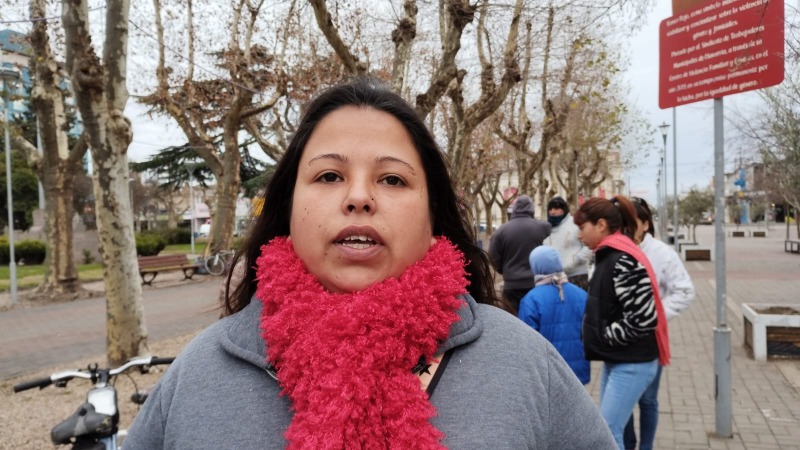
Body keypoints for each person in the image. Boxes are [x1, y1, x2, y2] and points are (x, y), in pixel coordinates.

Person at [124, 78, 615, 449]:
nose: (358, 197)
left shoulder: (523, 362)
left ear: (433, 215)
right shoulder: (200, 372)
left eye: (393, 180)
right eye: (330, 175)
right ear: (288, 208)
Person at [573, 195, 670, 450]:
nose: (579, 236)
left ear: (601, 225)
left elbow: (643, 319)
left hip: (633, 362)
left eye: (582, 228)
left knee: (607, 431)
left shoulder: (622, 259)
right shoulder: (610, 256)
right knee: (606, 429)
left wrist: (604, 336)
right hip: (620, 359)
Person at [623, 197, 695, 450]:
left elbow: (685, 291)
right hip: (622, 339)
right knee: (623, 401)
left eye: (631, 222)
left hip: (651, 339)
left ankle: (647, 446)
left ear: (645, 224)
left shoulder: (662, 254)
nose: (626, 227)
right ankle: (627, 444)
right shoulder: (615, 250)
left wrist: (653, 315)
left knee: (648, 399)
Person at [518, 245, 590, 385]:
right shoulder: (581, 295)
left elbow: (526, 343)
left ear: (535, 266)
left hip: (548, 373)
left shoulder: (531, 300)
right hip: (578, 369)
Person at [488, 195, 551, 312]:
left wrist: (504, 269)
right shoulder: (542, 227)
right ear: (532, 209)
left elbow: (492, 255)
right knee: (535, 320)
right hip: (537, 282)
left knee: (514, 322)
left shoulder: (501, 230)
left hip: (512, 284)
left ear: (515, 209)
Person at [545, 196, 592, 291]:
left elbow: (589, 246)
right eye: (550, 209)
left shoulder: (575, 223)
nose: (553, 212)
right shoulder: (546, 228)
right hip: (554, 279)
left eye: (557, 208)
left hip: (577, 276)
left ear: (564, 210)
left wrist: (576, 260)